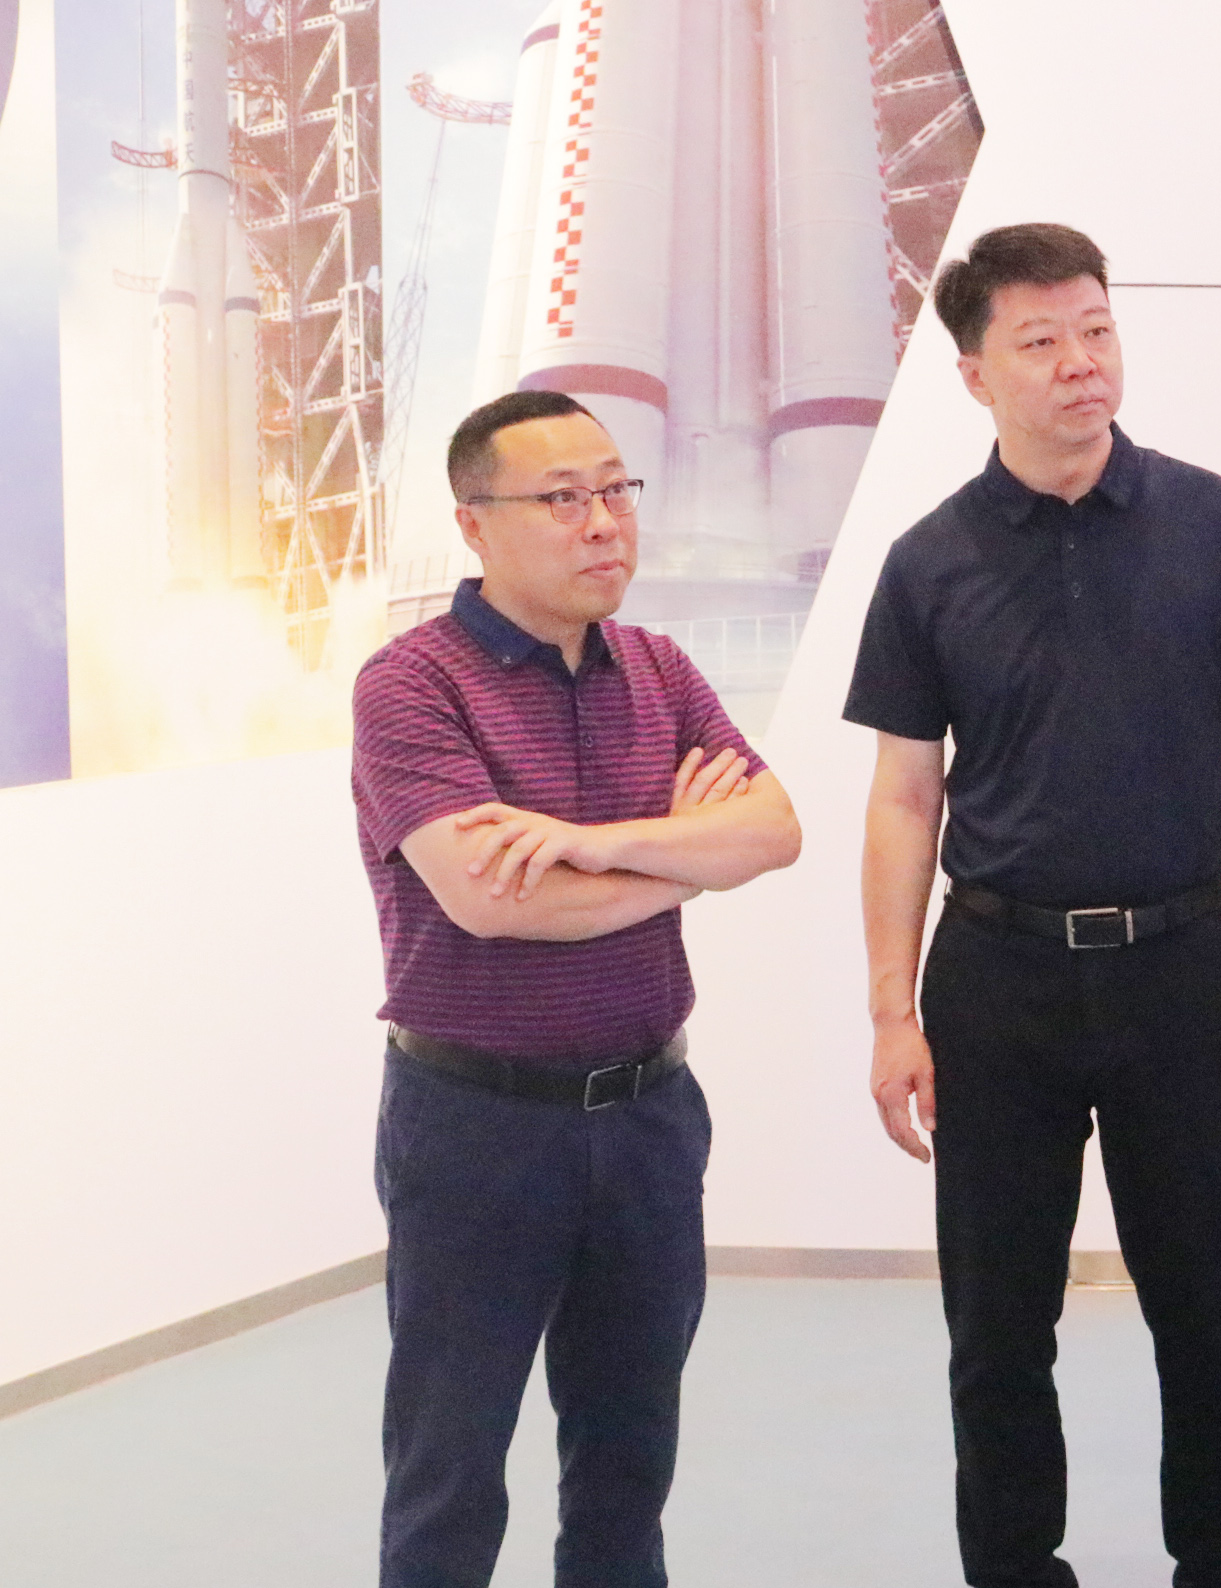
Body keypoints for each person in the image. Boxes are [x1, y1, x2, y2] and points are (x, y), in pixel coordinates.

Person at [845, 222, 1221, 1588]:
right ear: (974, 374)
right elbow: (902, 800)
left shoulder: (1212, 522)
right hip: (996, 979)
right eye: (1041, 340)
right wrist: (891, 1010)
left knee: (1205, 1300)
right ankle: (1012, 1565)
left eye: (1096, 329)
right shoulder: (927, 562)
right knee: (998, 1320)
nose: (1079, 362)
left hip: (1186, 964)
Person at [350, 390, 802, 1587]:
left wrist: (589, 843)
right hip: (477, 1129)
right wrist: (682, 859)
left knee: (627, 1462)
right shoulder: (411, 686)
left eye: (615, 490)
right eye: (562, 498)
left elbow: (773, 830)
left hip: (649, 1119)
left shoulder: (659, 669)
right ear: (475, 524)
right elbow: (492, 899)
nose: (603, 522)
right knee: (449, 1468)